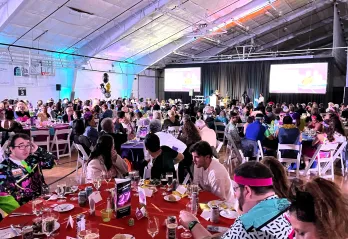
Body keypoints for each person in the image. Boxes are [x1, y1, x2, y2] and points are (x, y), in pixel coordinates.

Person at [180, 161, 292, 239]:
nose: (234, 195)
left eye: (236, 189)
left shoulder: (247, 225)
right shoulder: (288, 206)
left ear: (247, 191)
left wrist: (192, 224)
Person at [0, 133, 56, 205]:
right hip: (25, 209)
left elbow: (52, 163)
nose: (26, 149)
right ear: (11, 148)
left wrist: (38, 150)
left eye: (28, 145)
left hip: (44, 201)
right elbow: (6, 199)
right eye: (21, 146)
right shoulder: (3, 169)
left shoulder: (32, 159)